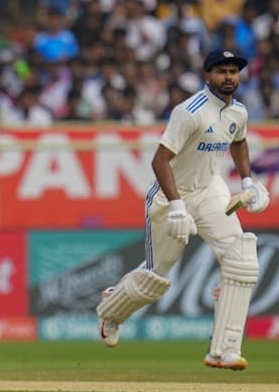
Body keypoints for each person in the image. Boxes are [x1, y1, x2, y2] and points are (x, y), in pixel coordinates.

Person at [96, 49, 270, 370]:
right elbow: (160, 160)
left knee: (242, 258)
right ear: (208, 76)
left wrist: (247, 183)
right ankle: (111, 310)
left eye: (234, 71)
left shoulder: (239, 113)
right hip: (170, 196)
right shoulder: (189, 111)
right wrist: (176, 206)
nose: (229, 77)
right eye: (222, 71)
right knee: (156, 278)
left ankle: (224, 349)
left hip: (210, 190)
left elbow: (239, 142)